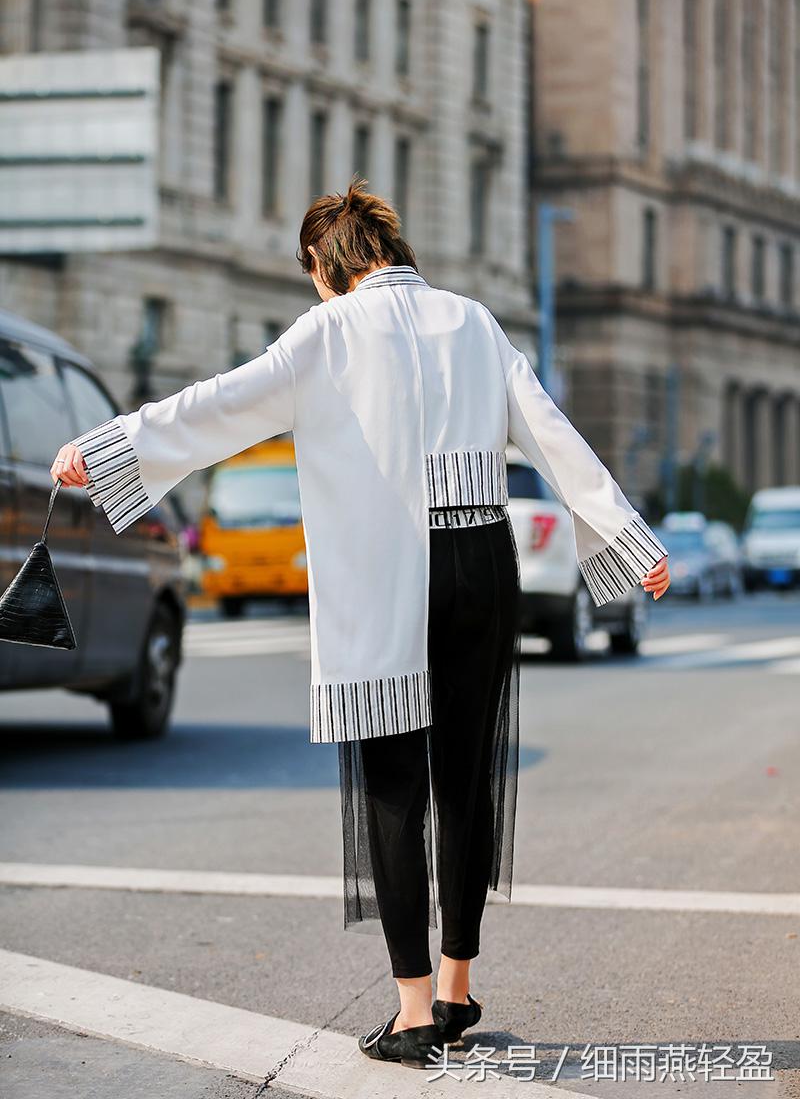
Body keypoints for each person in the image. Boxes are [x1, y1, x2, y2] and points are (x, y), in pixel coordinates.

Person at [50, 179, 671, 1070]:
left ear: (325, 262)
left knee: (391, 783)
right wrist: (626, 535)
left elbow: (218, 406)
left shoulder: (327, 333)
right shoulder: (473, 321)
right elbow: (551, 433)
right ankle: (455, 990)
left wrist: (103, 448)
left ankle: (413, 1011)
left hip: (391, 565)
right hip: (481, 559)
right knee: (466, 777)